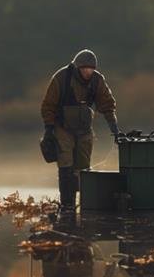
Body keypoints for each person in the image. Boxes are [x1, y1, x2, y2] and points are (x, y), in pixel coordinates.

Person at [41, 49, 120, 214]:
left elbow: (107, 105)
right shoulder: (61, 78)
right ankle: (67, 204)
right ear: (77, 68)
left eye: (91, 69)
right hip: (62, 129)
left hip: (84, 130)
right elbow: (48, 105)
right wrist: (49, 129)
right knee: (66, 166)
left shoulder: (97, 80)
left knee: (83, 169)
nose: (88, 72)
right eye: (84, 69)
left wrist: (114, 129)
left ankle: (82, 204)